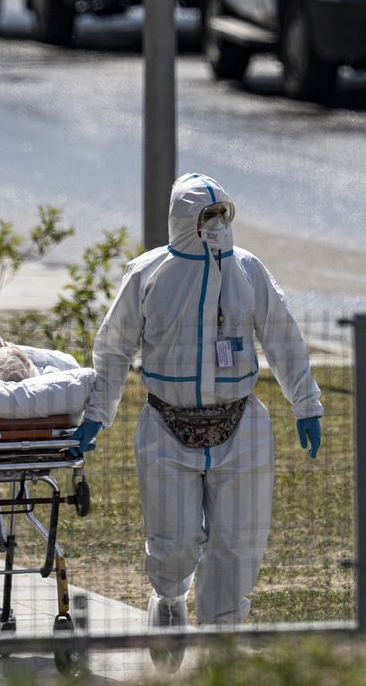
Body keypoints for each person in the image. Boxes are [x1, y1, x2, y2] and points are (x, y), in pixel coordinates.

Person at [73, 172, 323, 668]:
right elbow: (114, 346)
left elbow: (283, 337)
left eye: (221, 215)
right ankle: (168, 601)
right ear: (183, 220)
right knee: (174, 542)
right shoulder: (148, 274)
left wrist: (306, 404)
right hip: (167, 426)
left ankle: (221, 642)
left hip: (242, 426)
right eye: (205, 216)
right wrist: (96, 413)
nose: (215, 224)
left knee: (237, 542)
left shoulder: (248, 271)